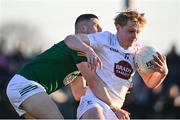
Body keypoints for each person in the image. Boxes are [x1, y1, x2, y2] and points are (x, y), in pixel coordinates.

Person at [64, 9, 169, 119]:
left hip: (116, 108)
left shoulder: (138, 52)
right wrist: (88, 50)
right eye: (131, 31)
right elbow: (70, 39)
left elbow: (150, 83)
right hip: (94, 101)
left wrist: (163, 73)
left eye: (138, 32)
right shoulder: (105, 39)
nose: (135, 36)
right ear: (118, 28)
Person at [6, 14, 102, 119]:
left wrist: (106, 94)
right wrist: (111, 101)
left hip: (25, 88)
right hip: (25, 85)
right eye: (96, 25)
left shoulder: (80, 58)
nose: (101, 29)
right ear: (83, 29)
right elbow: (93, 81)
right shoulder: (79, 46)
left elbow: (78, 93)